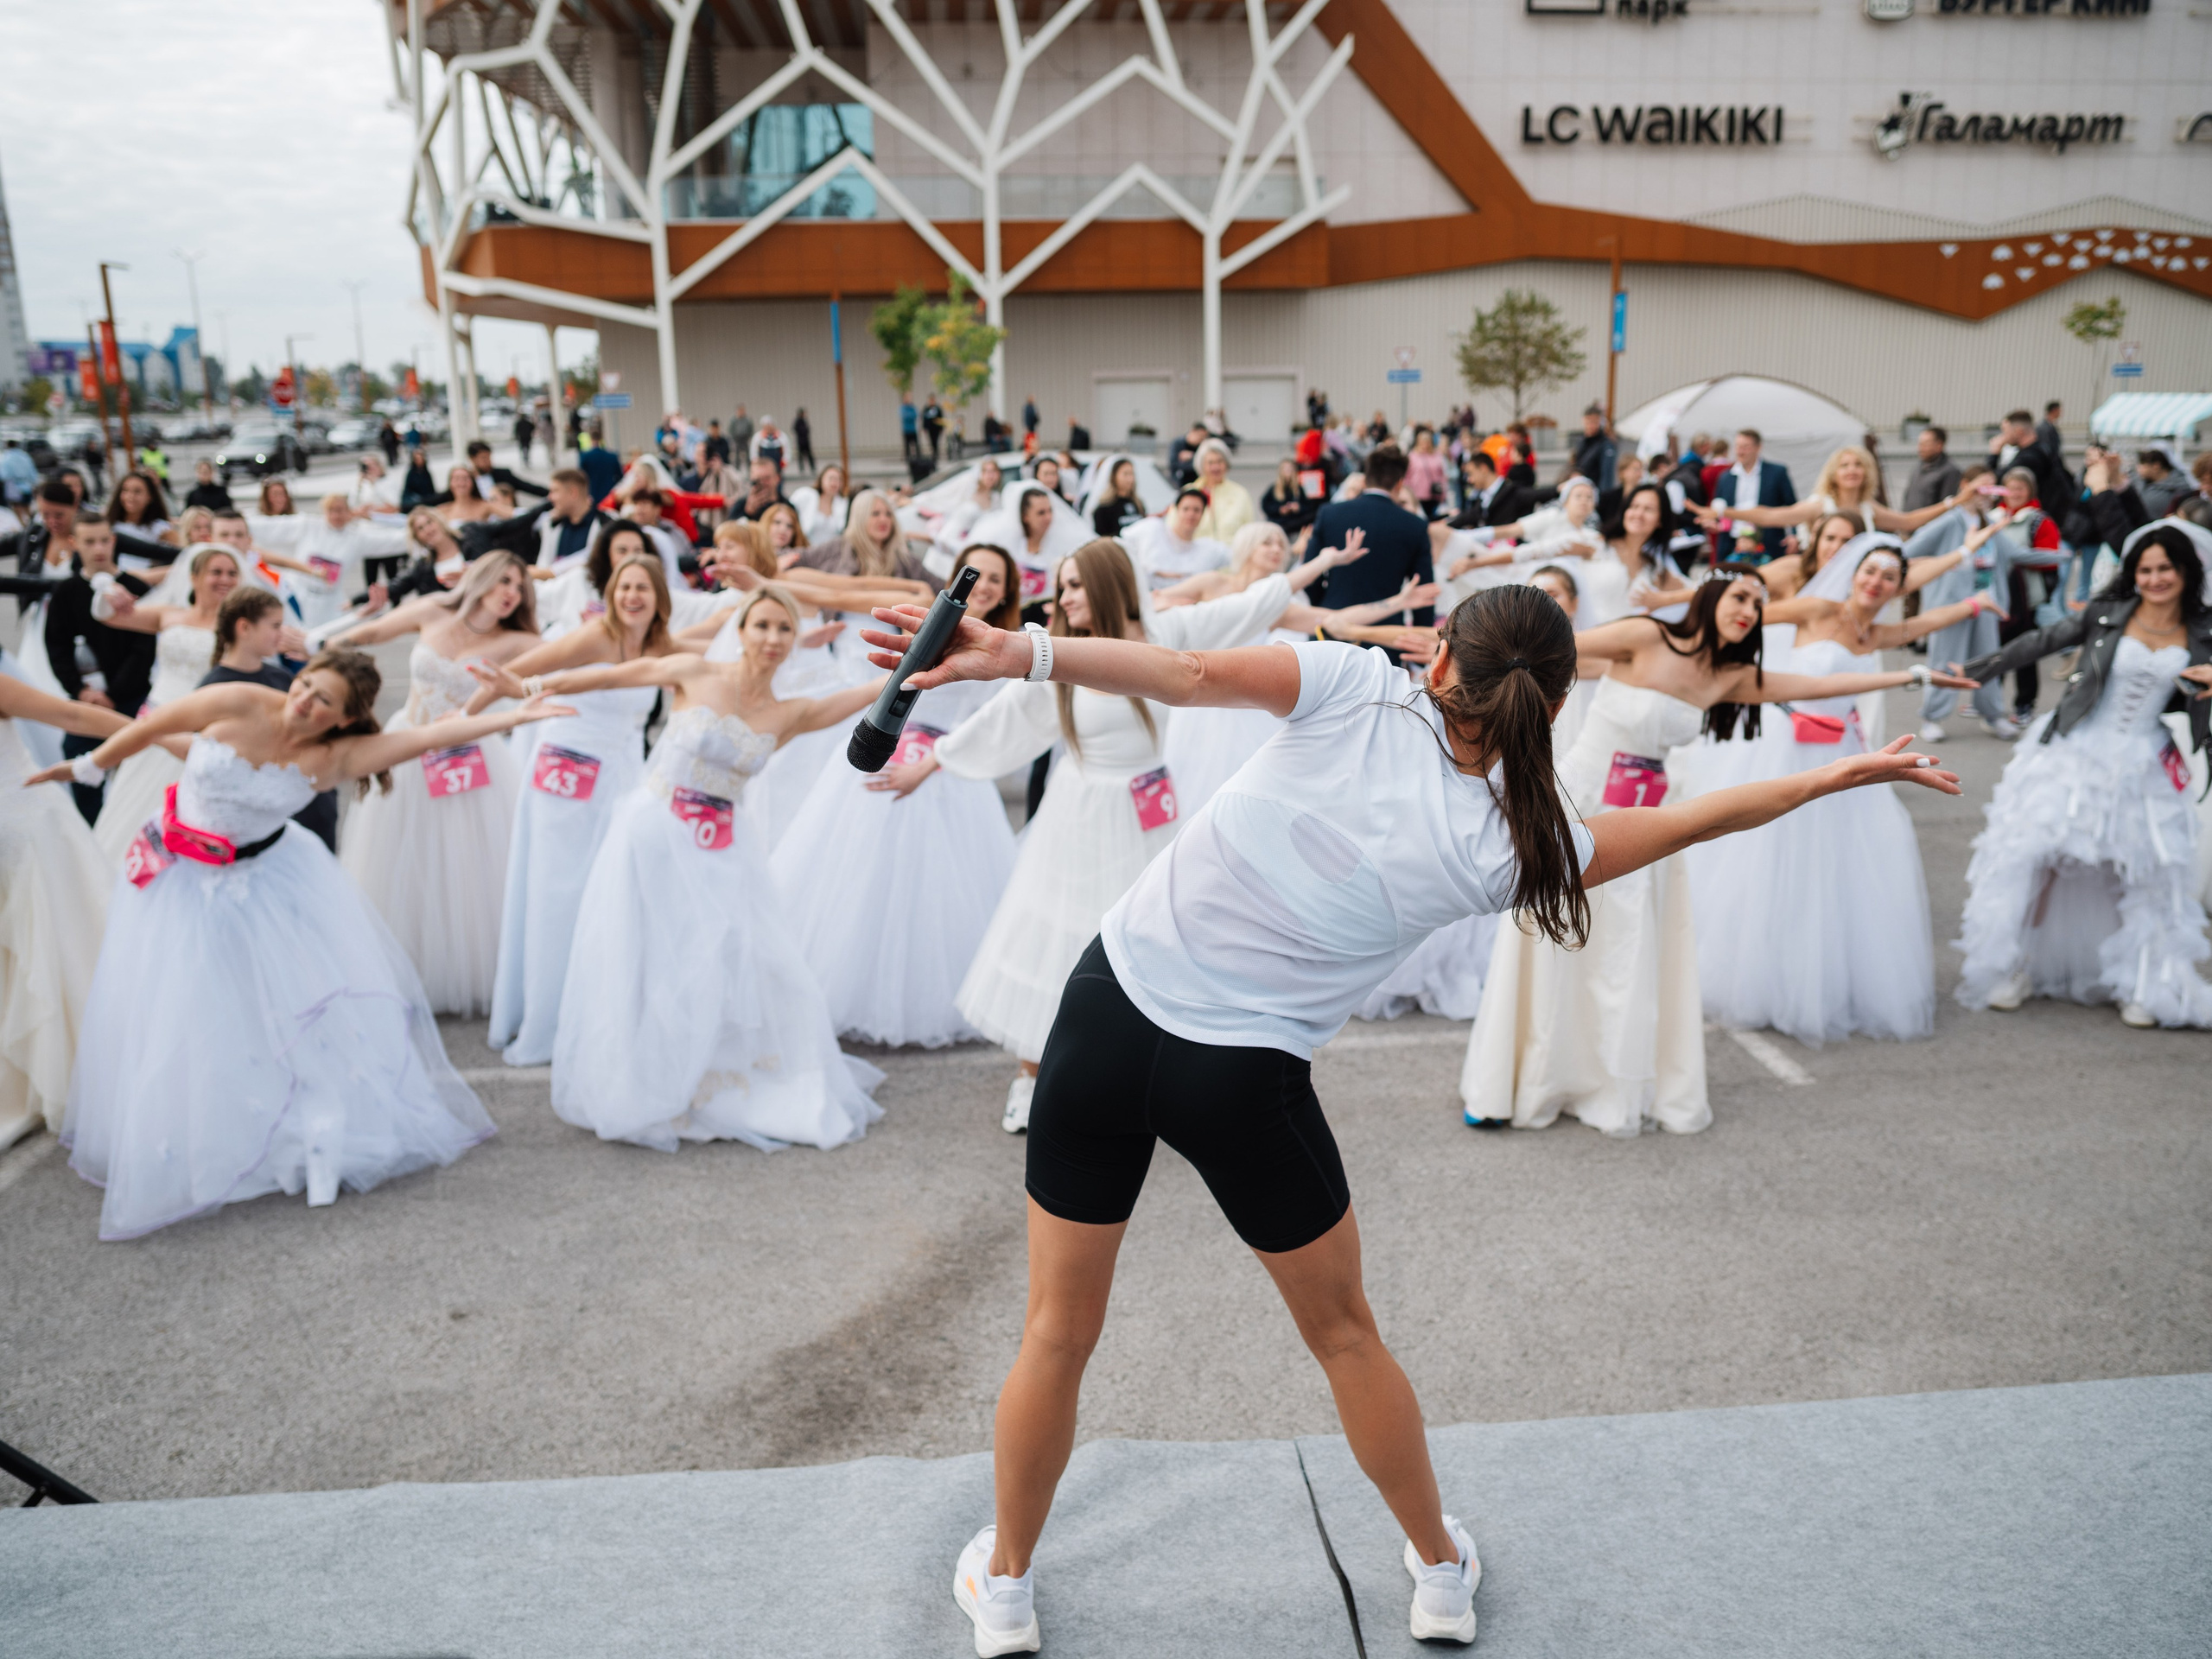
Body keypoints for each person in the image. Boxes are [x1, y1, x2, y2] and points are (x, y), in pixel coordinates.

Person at [855, 582, 1960, 1659]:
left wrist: (1022, 653)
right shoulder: (1521, 841)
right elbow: (1684, 822)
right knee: (1344, 1337)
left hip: (1102, 1024)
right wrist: (1826, 779)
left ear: (1439, 662)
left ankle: (1005, 1583)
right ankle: (1437, 1569)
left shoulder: (1355, 686)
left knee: (1057, 1331)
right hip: (1242, 1082)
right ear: (1557, 707)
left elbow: (1187, 675)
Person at [38, 652, 563, 1240]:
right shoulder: (238, 701)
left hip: (265, 884)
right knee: (182, 1009)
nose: (304, 700)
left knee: (278, 1014)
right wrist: (88, 767)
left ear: (343, 720)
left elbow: (432, 736)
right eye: (305, 684)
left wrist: (511, 716)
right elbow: (153, 726)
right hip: (177, 878)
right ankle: (195, 1131)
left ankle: (303, 1130)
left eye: (323, 701)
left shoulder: (337, 756)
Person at [1464, 568, 1974, 1135]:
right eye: (1739, 598)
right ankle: (1511, 1080)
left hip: (1650, 817)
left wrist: (1915, 675)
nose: (1749, 612)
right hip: (1581, 797)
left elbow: (1817, 689)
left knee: (1627, 948)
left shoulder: (1729, 676)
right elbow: (1544, 652)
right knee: (1546, 931)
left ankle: (1603, 1082)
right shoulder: (1645, 636)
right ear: (1708, 600)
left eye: (1758, 605)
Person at [466, 584, 888, 1149]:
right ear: (740, 631)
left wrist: (927, 662)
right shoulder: (696, 671)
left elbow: (873, 690)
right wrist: (527, 687)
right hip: (656, 837)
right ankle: (648, 1074)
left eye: (783, 628)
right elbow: (615, 675)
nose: (771, 637)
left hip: (726, 852)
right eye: (760, 625)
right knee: (654, 958)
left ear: (795, 641)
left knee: (731, 957)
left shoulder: (793, 712)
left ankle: (711, 1071)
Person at [929, 538, 1300, 1133]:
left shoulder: (1161, 630)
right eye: (1061, 585)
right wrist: (937, 758)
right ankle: (1031, 1078)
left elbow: (1245, 608)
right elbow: (1007, 719)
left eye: (1075, 585)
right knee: (1058, 941)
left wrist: (1317, 567)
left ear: (1105, 583)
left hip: (1150, 810)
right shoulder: (1055, 652)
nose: (1064, 597)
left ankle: (1151, 1077)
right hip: (1080, 816)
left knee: (1160, 940)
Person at [1688, 535, 1987, 1046]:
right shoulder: (1817, 608)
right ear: (1852, 572)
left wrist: (1974, 605)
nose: (1876, 582)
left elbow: (1928, 625)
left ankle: (1828, 979)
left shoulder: (1876, 632)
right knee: (1773, 852)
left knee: (1841, 862)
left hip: (1845, 750)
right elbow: (1743, 617)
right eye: (1869, 571)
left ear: (1898, 587)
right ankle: (1764, 976)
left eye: (1888, 577)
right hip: (1787, 746)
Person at [1954, 524, 2212, 1027]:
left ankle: (2140, 980)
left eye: (2165, 569)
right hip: (2076, 751)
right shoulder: (2109, 613)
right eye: (2145, 569)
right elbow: (2042, 641)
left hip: (2146, 758)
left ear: (2185, 572)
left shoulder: (2205, 630)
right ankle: (2020, 965)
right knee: (2045, 861)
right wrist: (1975, 670)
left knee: (2138, 870)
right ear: (2133, 574)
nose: (2155, 579)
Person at [770, 544, 1024, 1048]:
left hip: (946, 771)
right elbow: (844, 599)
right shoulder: (924, 622)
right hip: (885, 751)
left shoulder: (1008, 650)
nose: (988, 585)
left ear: (1009, 590)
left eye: (999, 578)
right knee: (856, 876)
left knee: (935, 888)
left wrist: (932, 765)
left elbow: (993, 727)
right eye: (980, 574)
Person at [474, 553, 680, 1065]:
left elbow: (718, 638)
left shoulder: (660, 645)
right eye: (624, 587)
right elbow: (514, 674)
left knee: (614, 889)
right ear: (611, 595)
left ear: (659, 600)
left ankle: (605, 1007)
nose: (632, 597)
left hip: (624, 772)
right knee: (558, 892)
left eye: (642, 589)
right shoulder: (594, 637)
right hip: (567, 769)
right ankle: (549, 1016)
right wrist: (466, 718)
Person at [325, 554, 541, 1014]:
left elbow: (544, 682)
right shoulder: (431, 612)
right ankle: (404, 964)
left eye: (519, 587)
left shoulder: (520, 639)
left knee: (466, 862)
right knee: (401, 854)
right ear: (480, 579)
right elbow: (370, 633)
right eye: (504, 580)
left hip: (469, 753)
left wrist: (514, 693)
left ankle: (467, 968)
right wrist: (318, 643)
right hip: (408, 745)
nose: (511, 593)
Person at [0, 670, 133, 1143]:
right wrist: (155, 732)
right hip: (21, 826)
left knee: (49, 942)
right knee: (58, 939)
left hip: (22, 825)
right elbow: (70, 714)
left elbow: (71, 714)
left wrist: (153, 731)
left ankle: (44, 1070)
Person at [85, 544, 244, 864]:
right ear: (194, 577)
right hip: (156, 721)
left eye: (231, 573)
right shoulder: (168, 614)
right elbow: (109, 616)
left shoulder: (241, 627)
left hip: (205, 731)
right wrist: (107, 593)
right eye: (216, 572)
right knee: (135, 803)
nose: (224, 579)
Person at [199, 588, 336, 851]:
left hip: (305, 801)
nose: (282, 633)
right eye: (275, 625)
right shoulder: (215, 688)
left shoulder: (282, 677)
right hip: (260, 815)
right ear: (244, 628)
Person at [41, 519, 156, 824]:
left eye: (104, 540)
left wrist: (114, 693)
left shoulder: (135, 587)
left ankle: (134, 825)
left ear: (114, 541)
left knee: (141, 769)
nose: (99, 549)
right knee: (79, 764)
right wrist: (80, 690)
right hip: (86, 702)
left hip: (131, 697)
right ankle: (94, 828)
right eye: (89, 542)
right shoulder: (66, 592)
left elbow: (144, 649)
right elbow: (57, 646)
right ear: (75, 544)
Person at [1306, 443, 1436, 645]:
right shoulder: (1414, 525)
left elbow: (1310, 572)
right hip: (1385, 632)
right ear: (1399, 483)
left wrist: (1323, 605)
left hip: (1330, 624)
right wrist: (1420, 646)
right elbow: (1423, 591)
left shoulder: (1329, 513)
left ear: (1365, 480)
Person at [793, 486, 937, 587]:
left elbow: (941, 587)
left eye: (888, 514)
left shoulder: (903, 559)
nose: (884, 520)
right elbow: (802, 557)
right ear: (860, 517)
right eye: (875, 514)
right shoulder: (838, 547)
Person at [1121, 486, 1230, 593]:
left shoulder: (1207, 549)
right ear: (1176, 510)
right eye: (1186, 509)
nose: (1191, 514)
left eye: (1197, 510)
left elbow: (1238, 558)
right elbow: (1118, 543)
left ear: (1202, 514)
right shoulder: (1153, 529)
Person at [1448, 448, 1535, 530]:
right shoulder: (1482, 499)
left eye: (1471, 474)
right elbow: (1467, 518)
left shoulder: (1513, 491)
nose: (1469, 479)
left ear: (1483, 468)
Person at [1190, 439, 1255, 543]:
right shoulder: (1189, 493)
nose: (1215, 467)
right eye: (1210, 463)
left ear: (1226, 464)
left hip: (1232, 556)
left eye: (1220, 461)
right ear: (1202, 466)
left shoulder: (1240, 493)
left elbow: (1250, 531)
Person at [467, 438, 549, 504]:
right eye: (484, 458)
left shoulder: (503, 475)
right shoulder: (466, 481)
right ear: (472, 459)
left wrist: (553, 493)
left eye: (489, 457)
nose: (489, 462)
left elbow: (529, 487)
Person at [1085, 455, 1146, 541]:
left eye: (1132, 474)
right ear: (1113, 476)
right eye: (1126, 474)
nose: (1130, 479)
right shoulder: (1104, 508)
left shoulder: (1138, 504)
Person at [1262, 457, 1317, 544]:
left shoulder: (1299, 489)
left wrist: (1298, 508)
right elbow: (1265, 505)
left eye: (1290, 469)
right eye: (1285, 469)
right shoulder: (1274, 489)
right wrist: (1279, 510)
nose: (1288, 472)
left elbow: (1309, 507)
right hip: (1280, 526)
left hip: (1295, 527)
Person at [1572, 404, 1618, 493]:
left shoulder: (1606, 444)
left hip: (1594, 491)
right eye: (1588, 422)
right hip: (1579, 488)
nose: (1591, 425)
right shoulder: (1581, 441)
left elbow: (1607, 475)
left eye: (1595, 422)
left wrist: (1603, 497)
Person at [791, 407, 815, 474]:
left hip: (806, 441)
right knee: (801, 456)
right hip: (801, 441)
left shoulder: (804, 420)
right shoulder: (798, 421)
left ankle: (812, 467)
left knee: (809, 455)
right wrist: (803, 432)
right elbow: (795, 429)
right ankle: (802, 468)